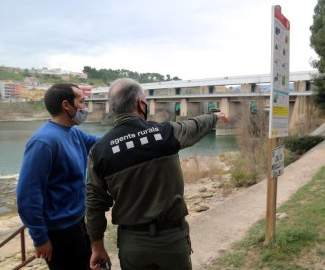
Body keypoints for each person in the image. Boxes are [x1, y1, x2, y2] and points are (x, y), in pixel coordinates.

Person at [86, 78, 229, 270]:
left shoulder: (99, 151)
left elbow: (94, 204)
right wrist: (215, 116)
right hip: (172, 239)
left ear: (113, 108)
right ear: (140, 104)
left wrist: (97, 247)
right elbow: (193, 127)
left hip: (132, 243)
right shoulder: (165, 133)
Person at [16, 83, 100, 270]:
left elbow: (99, 145)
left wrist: (127, 136)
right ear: (66, 105)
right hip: (59, 233)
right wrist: (40, 238)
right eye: (82, 101)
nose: (85, 107)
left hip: (77, 221)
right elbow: (28, 195)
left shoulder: (73, 132)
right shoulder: (43, 142)